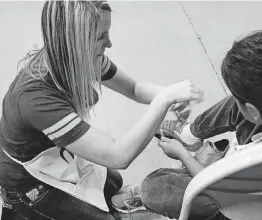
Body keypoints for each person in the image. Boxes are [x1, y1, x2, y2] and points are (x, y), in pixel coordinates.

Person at [0, 1, 203, 219]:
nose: (110, 43)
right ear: (73, 42)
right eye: (100, 37)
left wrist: (170, 93)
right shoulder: (36, 100)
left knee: (113, 183)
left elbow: (134, 89)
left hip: (54, 153)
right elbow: (119, 156)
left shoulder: (80, 59)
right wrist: (163, 100)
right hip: (27, 181)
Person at [112, 30, 262, 220]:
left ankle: (192, 148)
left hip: (247, 206)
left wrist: (181, 153)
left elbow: (214, 185)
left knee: (153, 186)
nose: (235, 102)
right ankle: (189, 134)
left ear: (253, 112)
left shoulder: (250, 161)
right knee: (247, 96)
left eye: (240, 102)